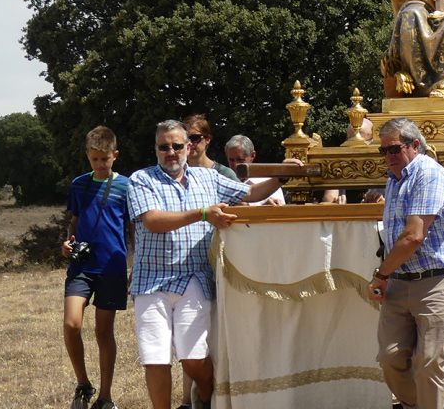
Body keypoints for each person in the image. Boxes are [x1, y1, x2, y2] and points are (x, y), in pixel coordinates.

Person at [128, 120, 296, 409]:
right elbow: (153, 221)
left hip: (194, 279)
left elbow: (250, 194)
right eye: (164, 147)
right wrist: (204, 213)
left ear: (188, 147)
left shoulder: (208, 178)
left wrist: (281, 175)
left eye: (177, 146)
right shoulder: (141, 179)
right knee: (155, 358)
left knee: (194, 358)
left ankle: (205, 399)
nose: (171, 152)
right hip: (152, 281)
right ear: (155, 149)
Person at [367, 118, 444, 409]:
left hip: (437, 279)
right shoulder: (394, 178)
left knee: (429, 363)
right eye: (383, 151)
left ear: (415, 145)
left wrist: (381, 274)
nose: (388, 157)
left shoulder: (429, 174)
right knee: (389, 358)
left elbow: (413, 237)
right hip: (401, 280)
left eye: (394, 150)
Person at [61, 126, 130, 409]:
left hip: (112, 268)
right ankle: (83, 384)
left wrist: (135, 265)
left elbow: (135, 227)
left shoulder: (128, 186)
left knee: (104, 333)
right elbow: (75, 221)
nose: (100, 165)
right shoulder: (79, 184)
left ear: (115, 155)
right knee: (71, 323)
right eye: (94, 160)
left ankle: (105, 397)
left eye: (105, 159)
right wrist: (66, 243)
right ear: (87, 157)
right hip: (82, 266)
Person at [224, 134, 287, 206]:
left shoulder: (270, 184)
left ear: (252, 155)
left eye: (240, 160)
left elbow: (280, 212)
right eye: (231, 160)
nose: (235, 165)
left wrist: (266, 209)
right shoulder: (222, 183)